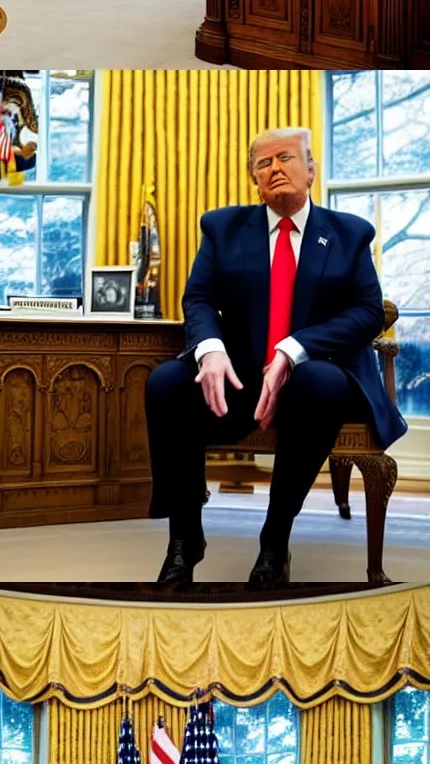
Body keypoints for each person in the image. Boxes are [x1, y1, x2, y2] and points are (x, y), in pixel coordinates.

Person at [143, 127, 405, 589]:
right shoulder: (222, 228)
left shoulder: (349, 234)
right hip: (243, 378)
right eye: (263, 163)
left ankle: (274, 541)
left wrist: (294, 347)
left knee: (319, 382)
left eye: (285, 157)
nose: (275, 168)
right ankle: (184, 540)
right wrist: (210, 349)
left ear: (311, 170)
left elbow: (368, 312)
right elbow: (198, 297)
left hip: (315, 383)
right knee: (165, 383)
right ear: (254, 179)